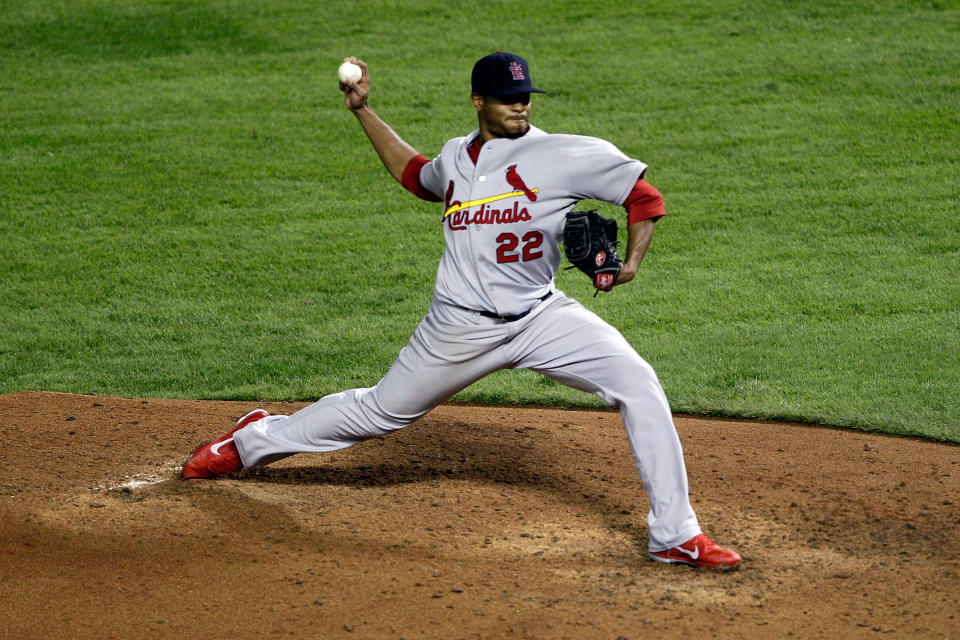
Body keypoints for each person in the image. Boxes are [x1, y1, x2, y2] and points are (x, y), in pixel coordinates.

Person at [182, 52, 741, 569]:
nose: (520, 105)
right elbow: (414, 175)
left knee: (638, 381)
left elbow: (645, 199)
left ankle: (674, 533)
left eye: (525, 96)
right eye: (506, 97)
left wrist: (631, 265)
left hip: (542, 318)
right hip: (456, 328)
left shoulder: (566, 153)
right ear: (479, 102)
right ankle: (249, 442)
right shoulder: (455, 156)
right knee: (378, 414)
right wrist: (363, 112)